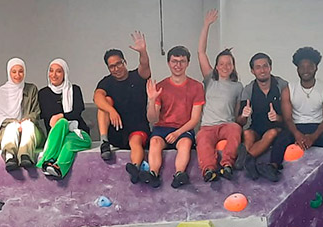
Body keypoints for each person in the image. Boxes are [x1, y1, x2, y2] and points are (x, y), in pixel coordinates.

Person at [268, 47, 323, 194]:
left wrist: (313, 137)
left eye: (310, 66)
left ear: (316, 68)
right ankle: (273, 168)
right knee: (281, 139)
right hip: (295, 126)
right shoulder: (289, 89)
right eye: (302, 66)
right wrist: (297, 135)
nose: (306, 70)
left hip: (318, 127)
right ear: (297, 69)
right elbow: (287, 118)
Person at [146, 46, 205, 188]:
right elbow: (152, 119)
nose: (178, 65)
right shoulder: (161, 86)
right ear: (168, 63)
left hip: (183, 128)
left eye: (182, 61)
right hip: (162, 128)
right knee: (154, 142)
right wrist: (152, 100)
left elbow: (195, 119)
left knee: (185, 144)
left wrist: (177, 133)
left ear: (188, 63)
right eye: (174, 61)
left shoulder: (197, 86)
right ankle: (153, 174)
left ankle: (179, 174)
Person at [94, 32, 151, 179]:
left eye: (118, 64)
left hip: (138, 129)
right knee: (105, 101)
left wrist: (142, 51)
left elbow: (145, 66)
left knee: (136, 141)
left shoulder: (137, 77)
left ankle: (135, 168)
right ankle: (104, 142)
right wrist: (111, 110)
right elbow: (97, 97)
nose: (116, 68)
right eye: (111, 66)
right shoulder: (106, 82)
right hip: (117, 131)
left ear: (124, 62)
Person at [195, 10, 243, 182]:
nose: (225, 66)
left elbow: (237, 115)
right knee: (202, 139)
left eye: (228, 64)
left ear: (233, 66)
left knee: (235, 129)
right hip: (207, 127)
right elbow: (201, 52)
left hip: (227, 125)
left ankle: (227, 165)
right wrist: (206, 25)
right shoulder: (210, 80)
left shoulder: (238, 87)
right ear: (215, 67)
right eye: (221, 64)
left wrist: (244, 116)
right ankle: (209, 170)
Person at [236, 53, 287, 181]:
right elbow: (240, 122)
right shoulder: (248, 89)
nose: (262, 70)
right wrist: (243, 115)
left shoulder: (282, 85)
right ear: (253, 71)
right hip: (257, 128)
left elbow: (291, 116)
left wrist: (278, 118)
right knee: (247, 133)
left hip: (278, 129)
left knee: (271, 133)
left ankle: (246, 159)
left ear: (270, 67)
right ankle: (249, 163)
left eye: (265, 66)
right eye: (258, 67)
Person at [37, 59, 91, 179]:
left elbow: (77, 111)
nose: (54, 75)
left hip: (79, 133)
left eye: (58, 71)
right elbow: (51, 121)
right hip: (57, 137)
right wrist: (63, 118)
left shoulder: (74, 90)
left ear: (64, 74)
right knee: (67, 142)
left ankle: (48, 161)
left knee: (62, 122)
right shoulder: (43, 93)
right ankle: (58, 168)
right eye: (51, 71)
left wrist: (61, 115)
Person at [0, 58, 45, 171]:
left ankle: (25, 156)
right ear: (8, 73)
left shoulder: (31, 89)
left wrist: (26, 120)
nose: (17, 75)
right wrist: (15, 123)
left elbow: (36, 112)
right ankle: (10, 157)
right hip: (6, 131)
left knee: (28, 126)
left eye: (20, 71)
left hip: (30, 129)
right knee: (12, 127)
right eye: (14, 71)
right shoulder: (1, 91)